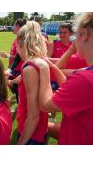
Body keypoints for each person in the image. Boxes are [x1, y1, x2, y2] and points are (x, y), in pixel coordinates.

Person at [38, 12, 93, 145]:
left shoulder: (84, 79)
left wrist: (44, 69)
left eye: (75, 35)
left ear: (84, 35)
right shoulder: (84, 75)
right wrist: (51, 64)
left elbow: (45, 106)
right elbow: (73, 89)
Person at [16, 21, 48, 145]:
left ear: (22, 44)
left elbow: (33, 115)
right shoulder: (39, 62)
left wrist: (21, 141)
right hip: (40, 128)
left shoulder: (29, 68)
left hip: (30, 130)